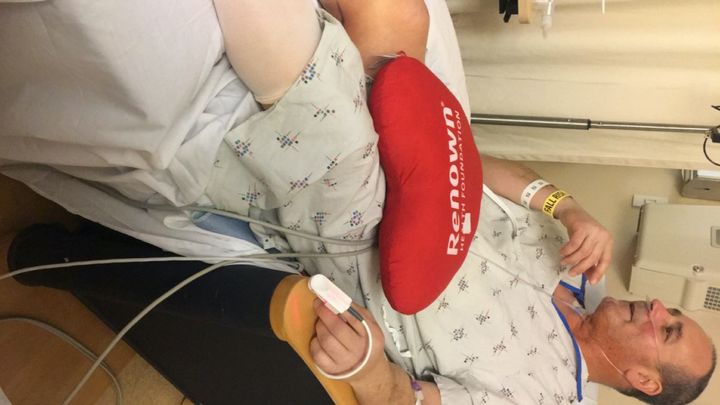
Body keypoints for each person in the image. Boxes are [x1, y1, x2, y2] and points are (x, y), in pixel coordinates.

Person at [209, 0, 716, 404]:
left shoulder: (543, 394)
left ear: (644, 380)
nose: (656, 307)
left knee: (329, 110)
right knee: (402, 13)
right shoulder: (577, 262)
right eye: (670, 309)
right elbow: (473, 162)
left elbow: (407, 400)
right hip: (413, 155)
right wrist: (565, 206)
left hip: (358, 223)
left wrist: (365, 369)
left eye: (668, 330)